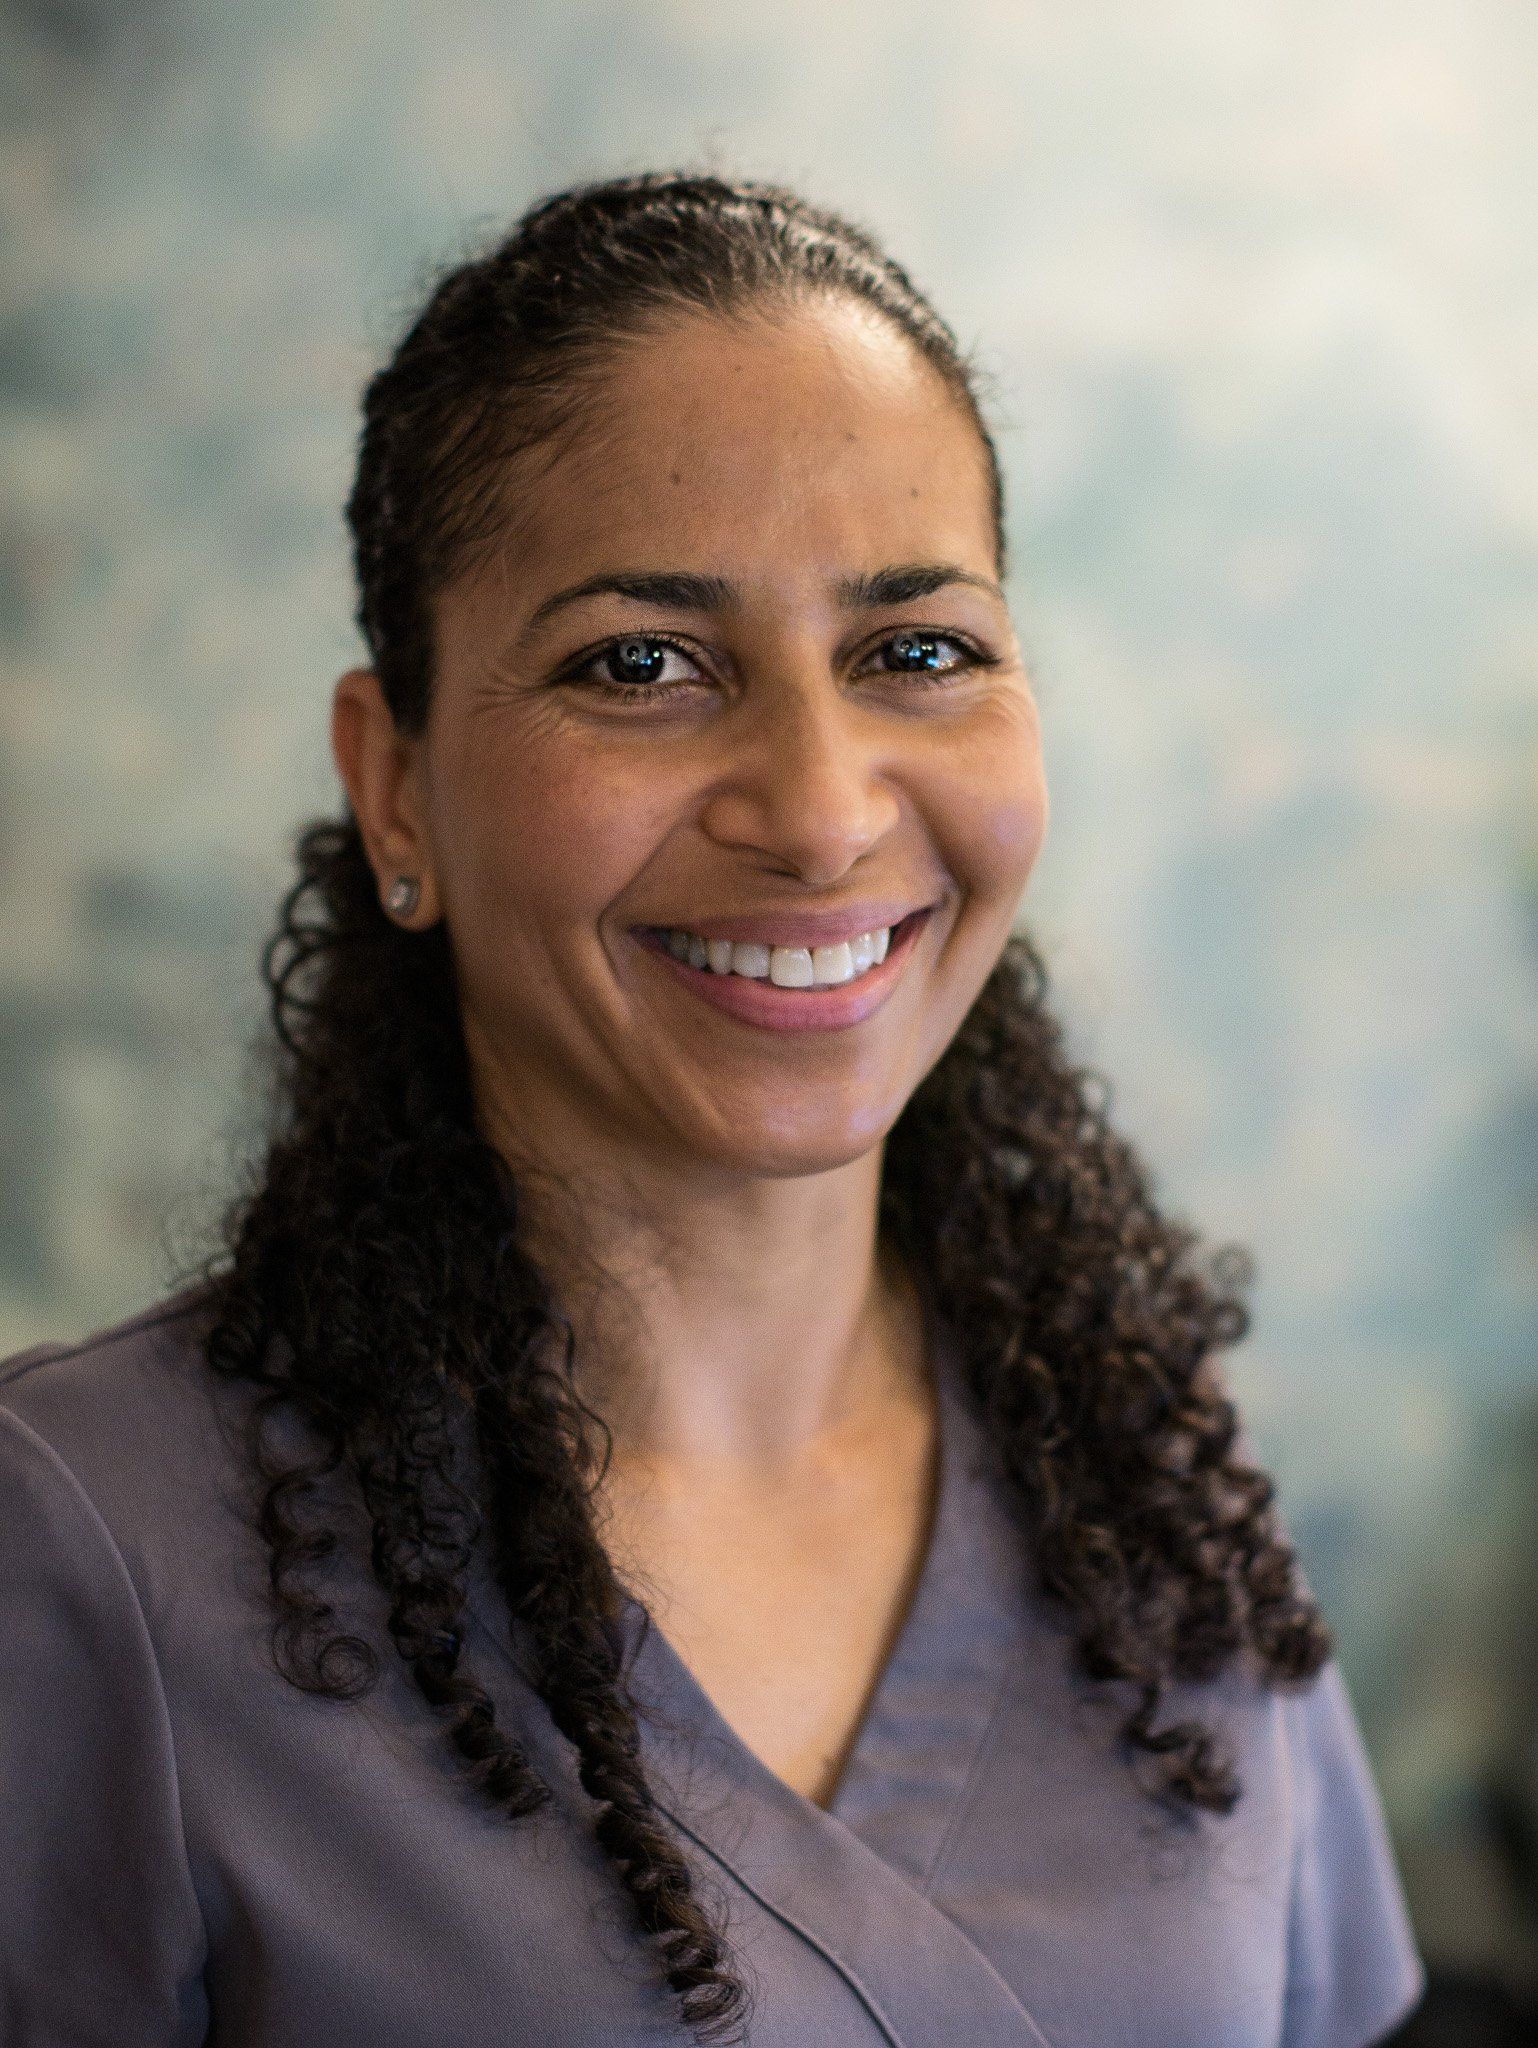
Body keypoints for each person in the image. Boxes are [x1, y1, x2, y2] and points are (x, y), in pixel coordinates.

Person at [0, 170, 1425, 2048]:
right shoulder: (81, 1552)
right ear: (398, 786)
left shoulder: (1141, 1479)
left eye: (917, 649)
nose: (822, 809)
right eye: (641, 664)